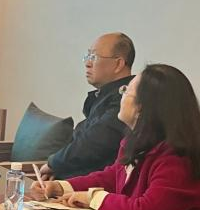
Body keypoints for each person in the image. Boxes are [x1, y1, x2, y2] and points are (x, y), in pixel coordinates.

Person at [29, 64, 200, 210]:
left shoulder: (180, 156)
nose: (121, 96)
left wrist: (93, 198)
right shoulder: (138, 140)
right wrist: (60, 187)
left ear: (143, 107)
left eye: (126, 91)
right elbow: (113, 177)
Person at [40, 32, 136, 180]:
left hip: (94, 187)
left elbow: (95, 143)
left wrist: (54, 164)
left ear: (118, 64)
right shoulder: (104, 96)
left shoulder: (125, 99)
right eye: (88, 56)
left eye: (94, 57)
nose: (87, 63)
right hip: (73, 181)